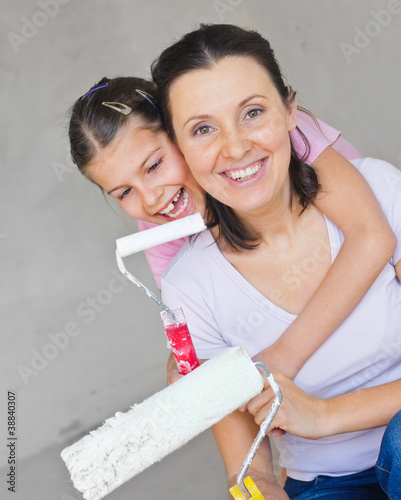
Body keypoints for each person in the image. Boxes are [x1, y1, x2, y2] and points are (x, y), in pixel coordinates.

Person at [150, 23, 401, 498]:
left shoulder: (381, 192)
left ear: (290, 111)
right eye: (203, 129)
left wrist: (325, 416)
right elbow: (249, 471)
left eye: (252, 112)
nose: (236, 146)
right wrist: (256, 487)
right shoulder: (190, 286)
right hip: (329, 482)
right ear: (179, 150)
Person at [69, 76, 394, 389]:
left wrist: (283, 357)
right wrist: (182, 362)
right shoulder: (160, 228)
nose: (150, 197)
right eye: (124, 192)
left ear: (183, 131)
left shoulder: (280, 139)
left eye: (154, 166)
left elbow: (374, 236)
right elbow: (197, 328)